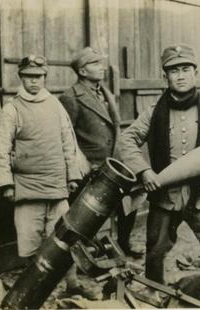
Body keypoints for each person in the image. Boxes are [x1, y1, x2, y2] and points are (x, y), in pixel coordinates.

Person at [117, 44, 200, 305]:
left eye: (186, 69)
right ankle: (154, 294)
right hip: (166, 196)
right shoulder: (154, 111)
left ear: (195, 72)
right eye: (174, 70)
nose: (180, 75)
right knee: (155, 251)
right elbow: (126, 140)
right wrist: (144, 170)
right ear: (164, 75)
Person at [0, 55, 97, 299]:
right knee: (29, 241)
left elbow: (67, 142)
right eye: (29, 77)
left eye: (38, 77)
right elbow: (1, 148)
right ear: (21, 77)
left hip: (56, 186)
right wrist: (6, 183)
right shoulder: (12, 108)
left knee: (65, 237)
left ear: (44, 78)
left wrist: (72, 175)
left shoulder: (55, 105)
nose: (33, 82)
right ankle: (33, 289)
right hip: (26, 188)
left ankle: (71, 285)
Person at [60, 47, 144, 258]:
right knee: (88, 213)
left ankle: (123, 243)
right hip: (91, 166)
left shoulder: (105, 92)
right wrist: (82, 163)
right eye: (95, 64)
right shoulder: (70, 97)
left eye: (101, 62)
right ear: (82, 71)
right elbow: (67, 136)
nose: (102, 67)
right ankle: (85, 253)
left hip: (115, 161)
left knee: (130, 202)